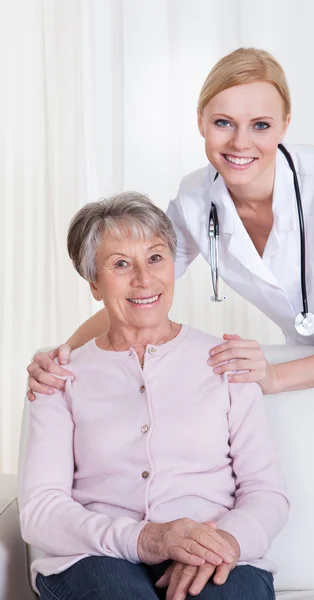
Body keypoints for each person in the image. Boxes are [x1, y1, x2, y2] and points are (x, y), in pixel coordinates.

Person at [27, 47, 314, 399]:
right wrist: (64, 355)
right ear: (200, 121)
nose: (240, 142)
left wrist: (274, 377)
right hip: (307, 359)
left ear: (284, 126)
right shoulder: (194, 201)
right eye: (224, 122)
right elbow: (137, 290)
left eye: (260, 125)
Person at [19, 192, 288, 600]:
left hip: (213, 550)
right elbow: (40, 511)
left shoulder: (226, 362)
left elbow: (266, 492)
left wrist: (224, 544)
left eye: (156, 258)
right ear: (94, 283)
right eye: (121, 264)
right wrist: (143, 539)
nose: (144, 279)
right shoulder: (59, 377)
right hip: (94, 557)